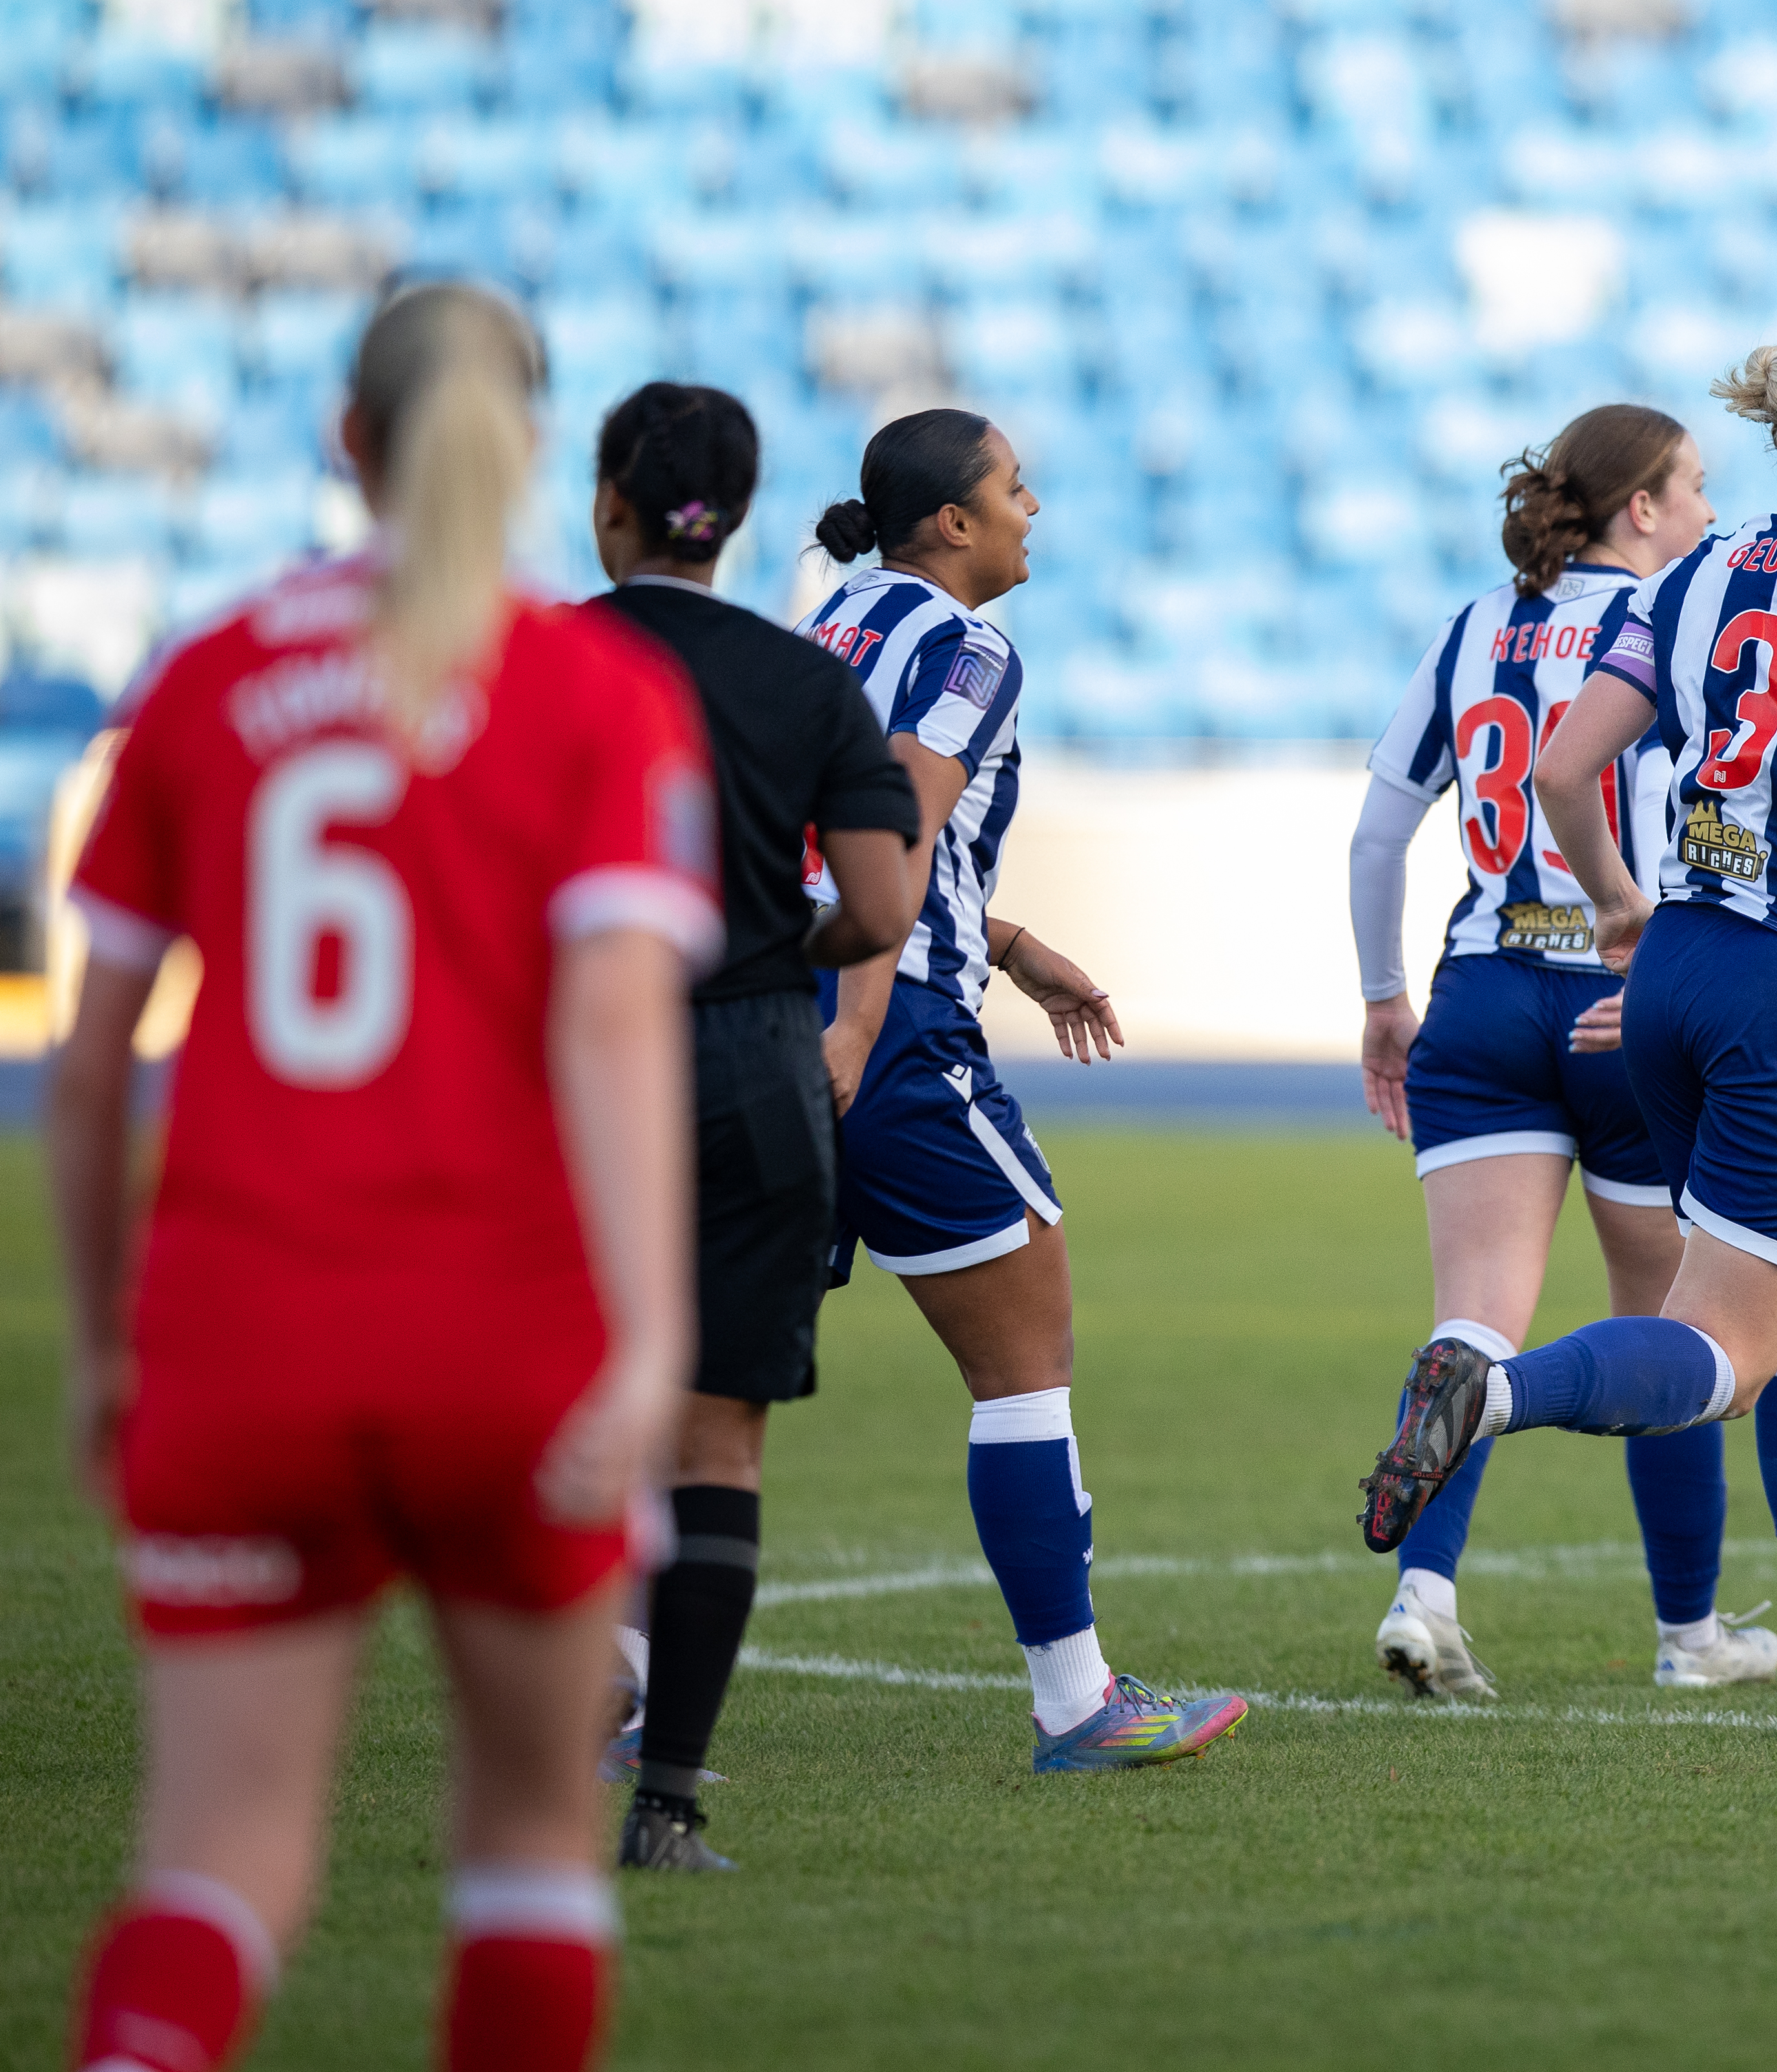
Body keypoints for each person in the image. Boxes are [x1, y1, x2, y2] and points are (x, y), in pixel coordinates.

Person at [54, 283, 714, 2072]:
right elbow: (611, 1033)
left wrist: (107, 1339)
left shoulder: (206, 677)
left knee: (220, 1852)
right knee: (524, 1841)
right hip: (511, 1346)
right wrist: (651, 1338)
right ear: (528, 449)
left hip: (240, 1332)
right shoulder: (592, 692)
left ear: (345, 439)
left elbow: (91, 1052)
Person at [1353, 324, 1777, 1737]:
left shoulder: (1700, 570)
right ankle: (1492, 1394)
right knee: (1725, 1348)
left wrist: (1619, 909)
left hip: (1669, 977)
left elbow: (1559, 764)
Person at [799, 408, 1249, 1772]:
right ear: (951, 522)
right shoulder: (965, 642)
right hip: (883, 1021)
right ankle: (1075, 1700)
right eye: (1013, 487)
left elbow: (806, 832)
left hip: (762, 1001)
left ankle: (615, 1691)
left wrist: (1004, 940)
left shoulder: (819, 630)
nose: (1032, 505)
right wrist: (870, 1016)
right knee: (1023, 1354)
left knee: (711, 1373)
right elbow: (890, 827)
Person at [1350, 403, 1777, 1698]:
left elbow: (1379, 834)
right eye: (1696, 487)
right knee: (1672, 1323)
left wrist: (1383, 1000)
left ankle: (1423, 1595)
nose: (1710, 511)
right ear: (1640, 507)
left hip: (1479, 998)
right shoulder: (1679, 623)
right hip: (1619, 1001)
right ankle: (1691, 1634)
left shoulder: (1473, 624)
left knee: (1472, 1321)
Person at [586, 382, 921, 1870]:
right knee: (720, 1439)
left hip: (585, 1054)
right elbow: (885, 906)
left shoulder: (539, 662)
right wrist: (789, 944)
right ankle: (668, 1802)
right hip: (754, 1058)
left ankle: (540, 1755)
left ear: (611, 505)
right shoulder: (801, 681)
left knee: (571, 1414)